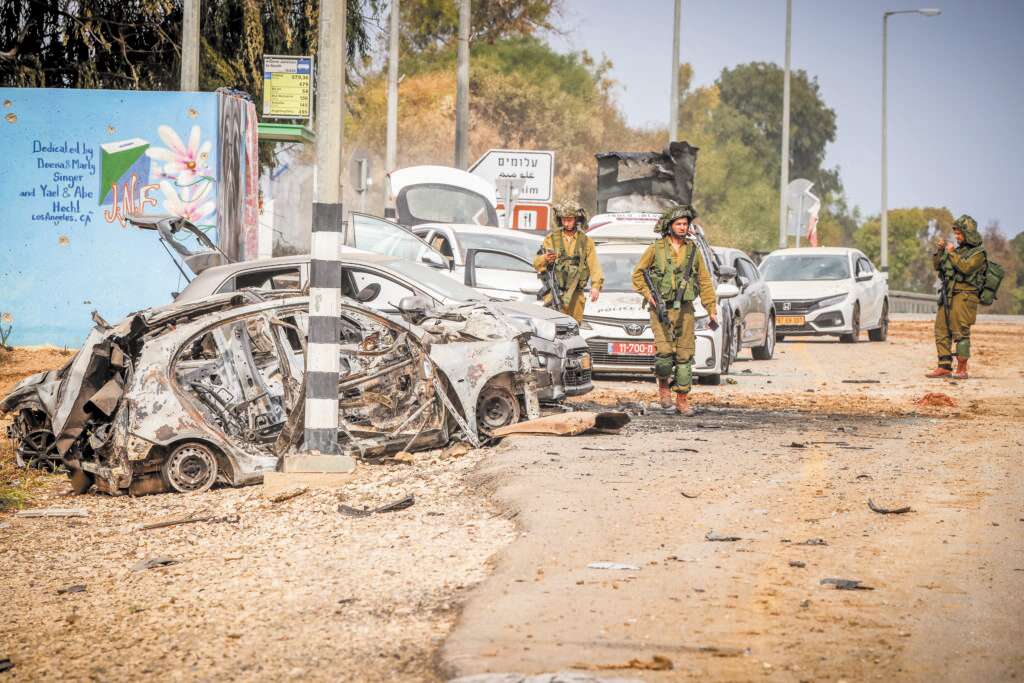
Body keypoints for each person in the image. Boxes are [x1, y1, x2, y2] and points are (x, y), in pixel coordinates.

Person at [631, 205, 717, 415]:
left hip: (685, 310)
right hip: (660, 308)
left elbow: (704, 281)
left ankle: (682, 399)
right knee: (664, 354)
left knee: (685, 355)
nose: (682, 227)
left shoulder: (693, 251)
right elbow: (637, 275)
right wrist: (648, 295)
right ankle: (663, 386)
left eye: (685, 224)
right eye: (678, 224)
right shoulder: (656, 249)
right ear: (670, 226)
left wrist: (711, 308)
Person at [927, 214, 986, 380]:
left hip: (965, 297)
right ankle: (944, 366)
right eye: (956, 234)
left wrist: (952, 253)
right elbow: (938, 266)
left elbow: (966, 268)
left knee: (961, 333)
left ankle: (962, 368)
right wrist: (940, 251)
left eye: (960, 233)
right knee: (941, 329)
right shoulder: (956, 251)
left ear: (969, 233)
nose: (957, 237)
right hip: (948, 294)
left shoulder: (979, 253)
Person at [532, 198, 603, 322]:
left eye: (569, 220)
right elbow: (536, 264)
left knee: (573, 328)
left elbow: (594, 266)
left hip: (576, 296)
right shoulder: (552, 238)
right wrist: (545, 258)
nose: (566, 223)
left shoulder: (586, 241)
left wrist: (596, 286)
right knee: (552, 329)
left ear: (576, 220)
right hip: (554, 293)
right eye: (564, 220)